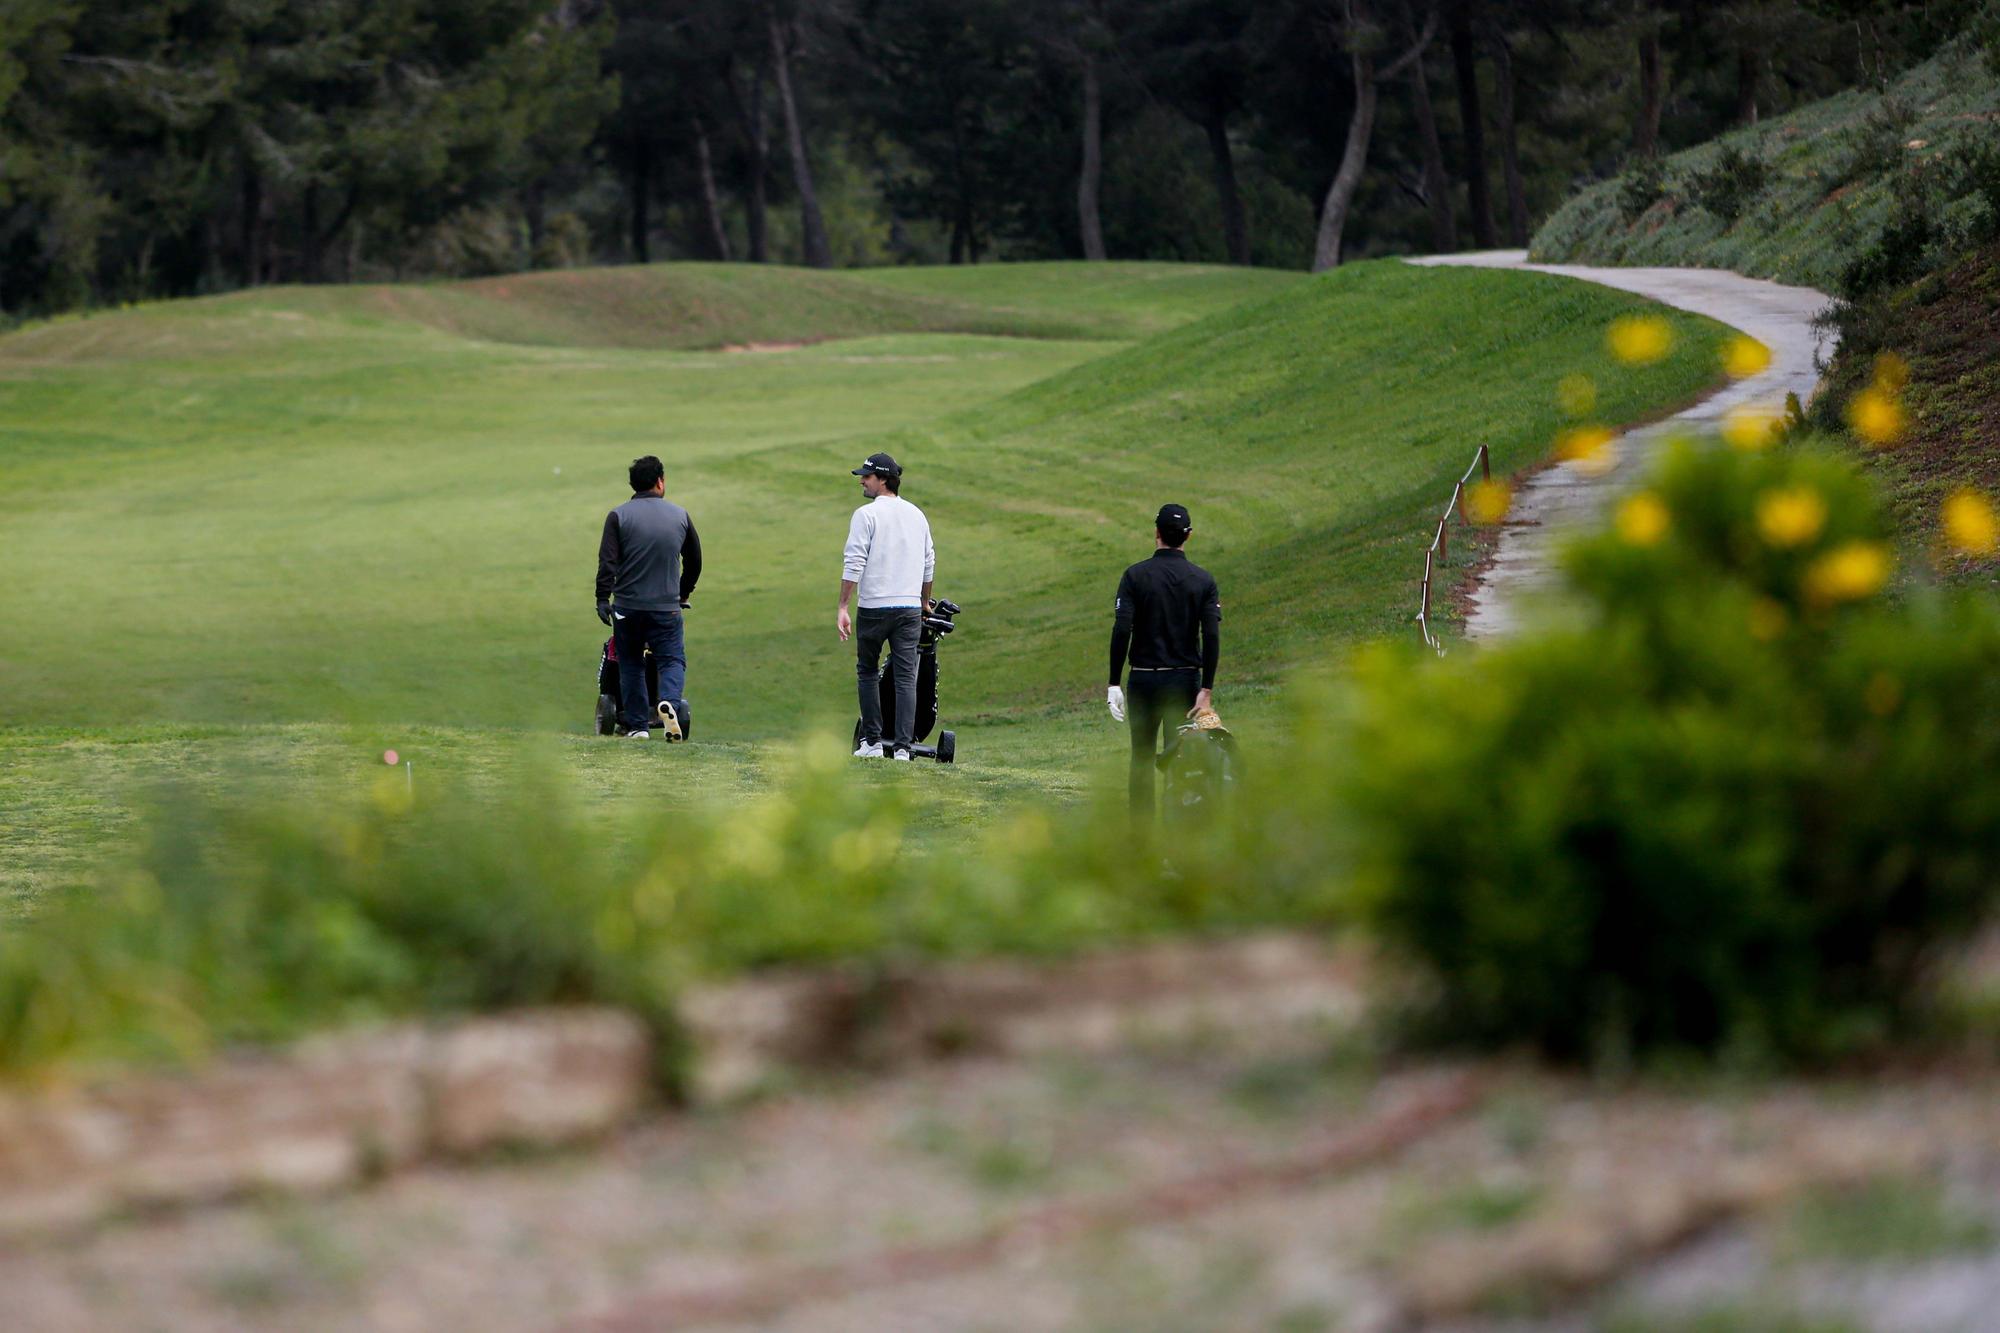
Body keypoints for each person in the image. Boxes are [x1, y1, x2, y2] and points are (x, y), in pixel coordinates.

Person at [1107, 502, 1221, 818]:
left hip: (1143, 680)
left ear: (1156, 533)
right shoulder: (1203, 580)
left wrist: (1114, 681)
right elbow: (1211, 635)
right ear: (1188, 535)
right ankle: (1176, 827)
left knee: (1141, 758)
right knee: (1180, 757)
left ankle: (1141, 837)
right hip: (1184, 681)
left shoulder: (1134, 576)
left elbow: (1122, 628)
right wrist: (1207, 688)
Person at [596, 455, 701, 740]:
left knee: (630, 663)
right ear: (660, 481)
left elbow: (607, 562)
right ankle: (667, 702)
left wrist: (603, 599)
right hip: (666, 608)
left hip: (628, 608)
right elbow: (694, 561)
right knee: (671, 660)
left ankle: (638, 727)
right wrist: (682, 592)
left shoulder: (618, 516)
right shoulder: (680, 516)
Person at [837, 451, 934, 760]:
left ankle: (873, 743)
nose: (862, 481)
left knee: (867, 671)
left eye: (866, 476)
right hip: (908, 609)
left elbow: (854, 562)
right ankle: (904, 748)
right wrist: (922, 601)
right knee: (907, 678)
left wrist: (843, 606)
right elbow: (929, 562)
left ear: (883, 480)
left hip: (874, 607)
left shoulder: (866, 515)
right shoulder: (917, 514)